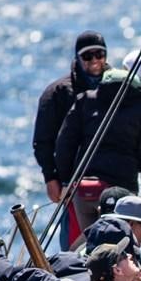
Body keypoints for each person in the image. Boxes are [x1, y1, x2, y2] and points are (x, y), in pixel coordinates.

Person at [55, 50, 141, 201]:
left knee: (85, 226)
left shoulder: (85, 99)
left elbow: (65, 144)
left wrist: (66, 182)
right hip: (121, 193)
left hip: (84, 191)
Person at [33, 31, 109, 205]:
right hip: (72, 182)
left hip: (111, 178)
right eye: (88, 56)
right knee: (73, 232)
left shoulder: (117, 88)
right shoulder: (56, 93)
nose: (95, 60)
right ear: (77, 58)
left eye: (100, 54)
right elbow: (43, 140)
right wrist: (50, 178)